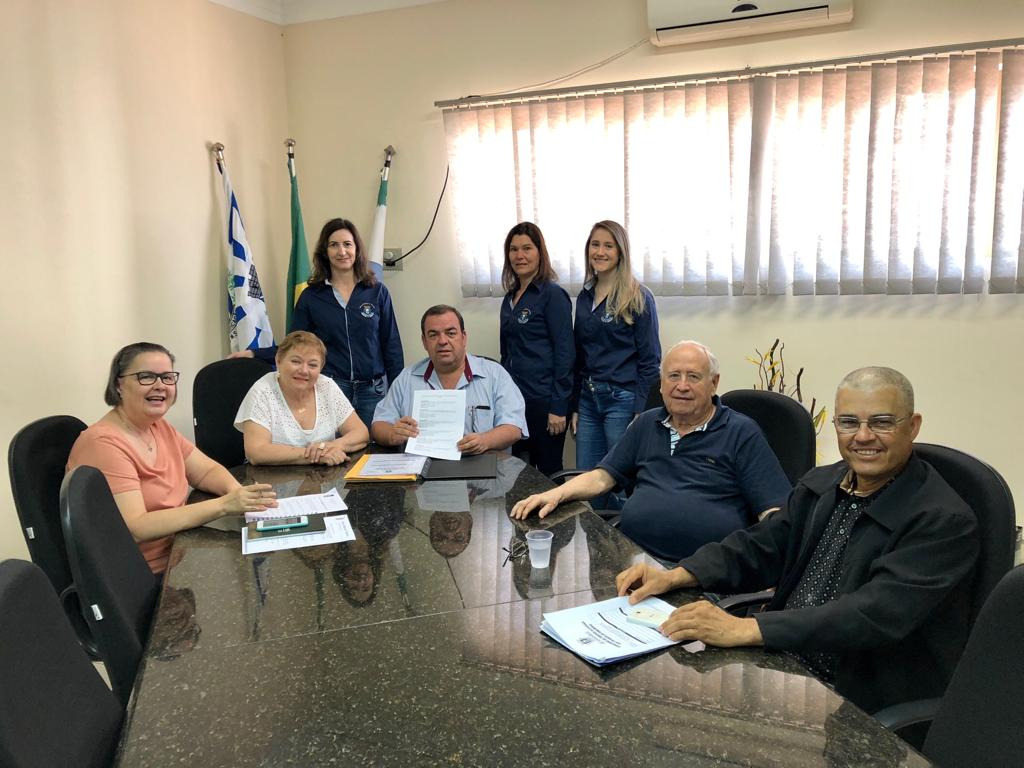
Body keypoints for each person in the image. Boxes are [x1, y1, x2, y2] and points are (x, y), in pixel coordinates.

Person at [615, 366, 979, 714]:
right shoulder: (823, 484)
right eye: (849, 422)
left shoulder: (942, 521)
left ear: (912, 426)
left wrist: (747, 628)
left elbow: (873, 613)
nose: (863, 436)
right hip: (788, 664)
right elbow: (760, 546)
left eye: (881, 422)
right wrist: (678, 574)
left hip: (861, 694)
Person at [512, 341, 791, 562]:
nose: (682, 386)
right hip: (637, 561)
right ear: (661, 383)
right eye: (673, 376)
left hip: (708, 574)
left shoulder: (741, 432)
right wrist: (554, 493)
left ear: (714, 383)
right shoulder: (647, 423)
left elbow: (774, 510)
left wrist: (774, 565)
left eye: (693, 377)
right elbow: (602, 477)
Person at [67, 342, 277, 575]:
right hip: (142, 575)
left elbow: (205, 471)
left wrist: (237, 494)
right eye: (146, 377)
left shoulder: (157, 426)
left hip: (180, 551)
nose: (160, 386)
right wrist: (224, 505)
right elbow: (137, 527)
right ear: (119, 384)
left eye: (167, 378)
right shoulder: (103, 444)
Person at [233, 218, 403, 428]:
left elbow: (391, 345)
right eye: (334, 245)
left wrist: (398, 393)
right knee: (336, 452)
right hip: (332, 388)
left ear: (357, 249)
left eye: (347, 244)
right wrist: (254, 354)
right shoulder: (311, 297)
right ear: (325, 252)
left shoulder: (377, 292)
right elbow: (294, 344)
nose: (342, 251)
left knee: (374, 451)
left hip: (373, 391)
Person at [572, 220, 661, 506]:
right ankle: (594, 548)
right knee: (587, 481)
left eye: (608, 246)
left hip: (621, 401)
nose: (600, 251)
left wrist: (640, 410)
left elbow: (650, 361)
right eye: (595, 245)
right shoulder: (585, 296)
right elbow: (580, 355)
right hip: (588, 400)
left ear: (620, 252)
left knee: (619, 482)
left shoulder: (638, 297)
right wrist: (574, 403)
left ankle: (620, 549)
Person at [372, 305, 527, 454]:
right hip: (421, 468)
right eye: (433, 335)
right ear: (424, 342)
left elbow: (513, 427)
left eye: (451, 333)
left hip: (483, 464)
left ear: (463, 337)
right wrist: (392, 434)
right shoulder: (407, 378)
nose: (442, 341)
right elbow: (379, 424)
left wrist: (484, 440)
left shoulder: (495, 374)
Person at [499, 222, 574, 475]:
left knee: (549, 472)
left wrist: (558, 407)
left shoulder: (552, 295)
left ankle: (557, 517)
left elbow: (565, 353)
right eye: (513, 249)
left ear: (540, 252)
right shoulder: (509, 298)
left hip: (544, 401)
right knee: (517, 472)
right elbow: (506, 354)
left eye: (527, 248)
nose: (519, 256)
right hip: (515, 402)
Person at [234, 330, 369, 465]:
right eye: (296, 361)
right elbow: (256, 451)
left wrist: (335, 446)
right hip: (271, 481)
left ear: (321, 368)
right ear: (278, 360)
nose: (304, 370)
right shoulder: (262, 391)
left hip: (324, 479)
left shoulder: (326, 386)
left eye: (312, 365)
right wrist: (313, 455)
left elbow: (361, 433)